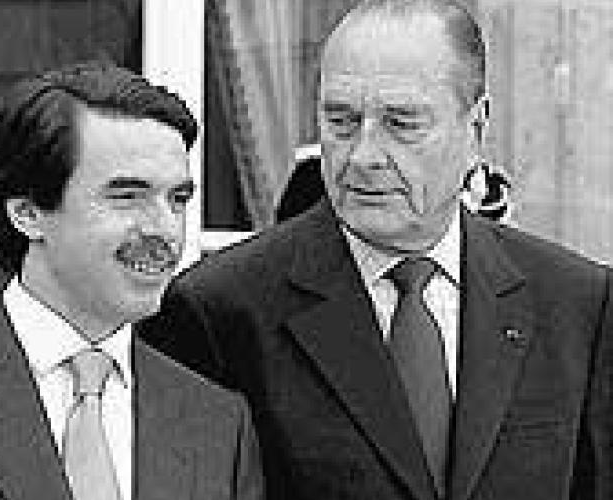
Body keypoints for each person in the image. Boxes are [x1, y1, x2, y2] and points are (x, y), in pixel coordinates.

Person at [143, 2, 612, 499]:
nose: (364, 156)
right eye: (341, 121)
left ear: (475, 130)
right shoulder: (218, 312)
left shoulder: (576, 304)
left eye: (401, 123)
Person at [0, 62, 263, 500]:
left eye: (177, 200)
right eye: (127, 197)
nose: (166, 230)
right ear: (27, 214)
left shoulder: (218, 425)